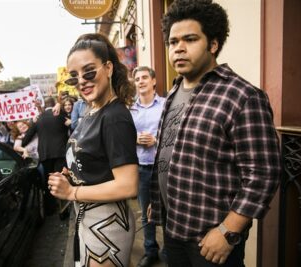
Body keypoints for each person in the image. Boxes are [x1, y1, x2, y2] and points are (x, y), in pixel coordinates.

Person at [149, 1, 282, 266]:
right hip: (173, 228)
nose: (179, 48)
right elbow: (171, 150)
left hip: (212, 239)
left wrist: (228, 231)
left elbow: (264, 173)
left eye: (190, 39)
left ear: (213, 44)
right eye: (173, 41)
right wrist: (159, 199)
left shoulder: (242, 96)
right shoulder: (174, 91)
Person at [48, 33, 139, 267]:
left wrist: (71, 193)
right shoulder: (91, 111)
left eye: (89, 72)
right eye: (74, 77)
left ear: (108, 68)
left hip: (106, 224)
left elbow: (127, 184)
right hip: (87, 218)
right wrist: (73, 173)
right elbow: (94, 159)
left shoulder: (114, 117)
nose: (82, 81)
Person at [130, 66, 165, 267]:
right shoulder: (130, 110)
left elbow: (174, 132)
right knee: (146, 213)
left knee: (169, 209)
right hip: (142, 168)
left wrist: (156, 140)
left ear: (153, 81)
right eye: (137, 79)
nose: (141, 81)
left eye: (144, 77)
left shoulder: (165, 105)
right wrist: (135, 138)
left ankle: (170, 250)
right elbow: (124, 136)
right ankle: (151, 250)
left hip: (163, 167)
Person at [22, 96, 69, 215]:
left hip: (45, 154)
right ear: (54, 105)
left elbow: (26, 139)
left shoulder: (38, 119)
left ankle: (49, 209)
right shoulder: (60, 114)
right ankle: (63, 211)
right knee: (61, 180)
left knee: (50, 182)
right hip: (60, 152)